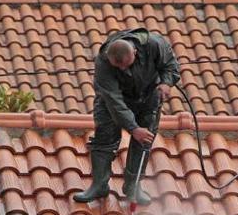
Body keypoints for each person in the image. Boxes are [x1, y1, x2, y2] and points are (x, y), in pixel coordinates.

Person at [73, 27, 180, 205]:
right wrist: (132, 127)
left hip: (148, 99)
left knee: (143, 140)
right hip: (111, 103)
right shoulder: (103, 62)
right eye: (118, 66)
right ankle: (99, 185)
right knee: (104, 138)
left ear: (135, 53)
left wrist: (166, 83)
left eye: (126, 64)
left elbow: (171, 66)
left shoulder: (155, 45)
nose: (123, 69)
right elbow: (114, 101)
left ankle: (133, 186)